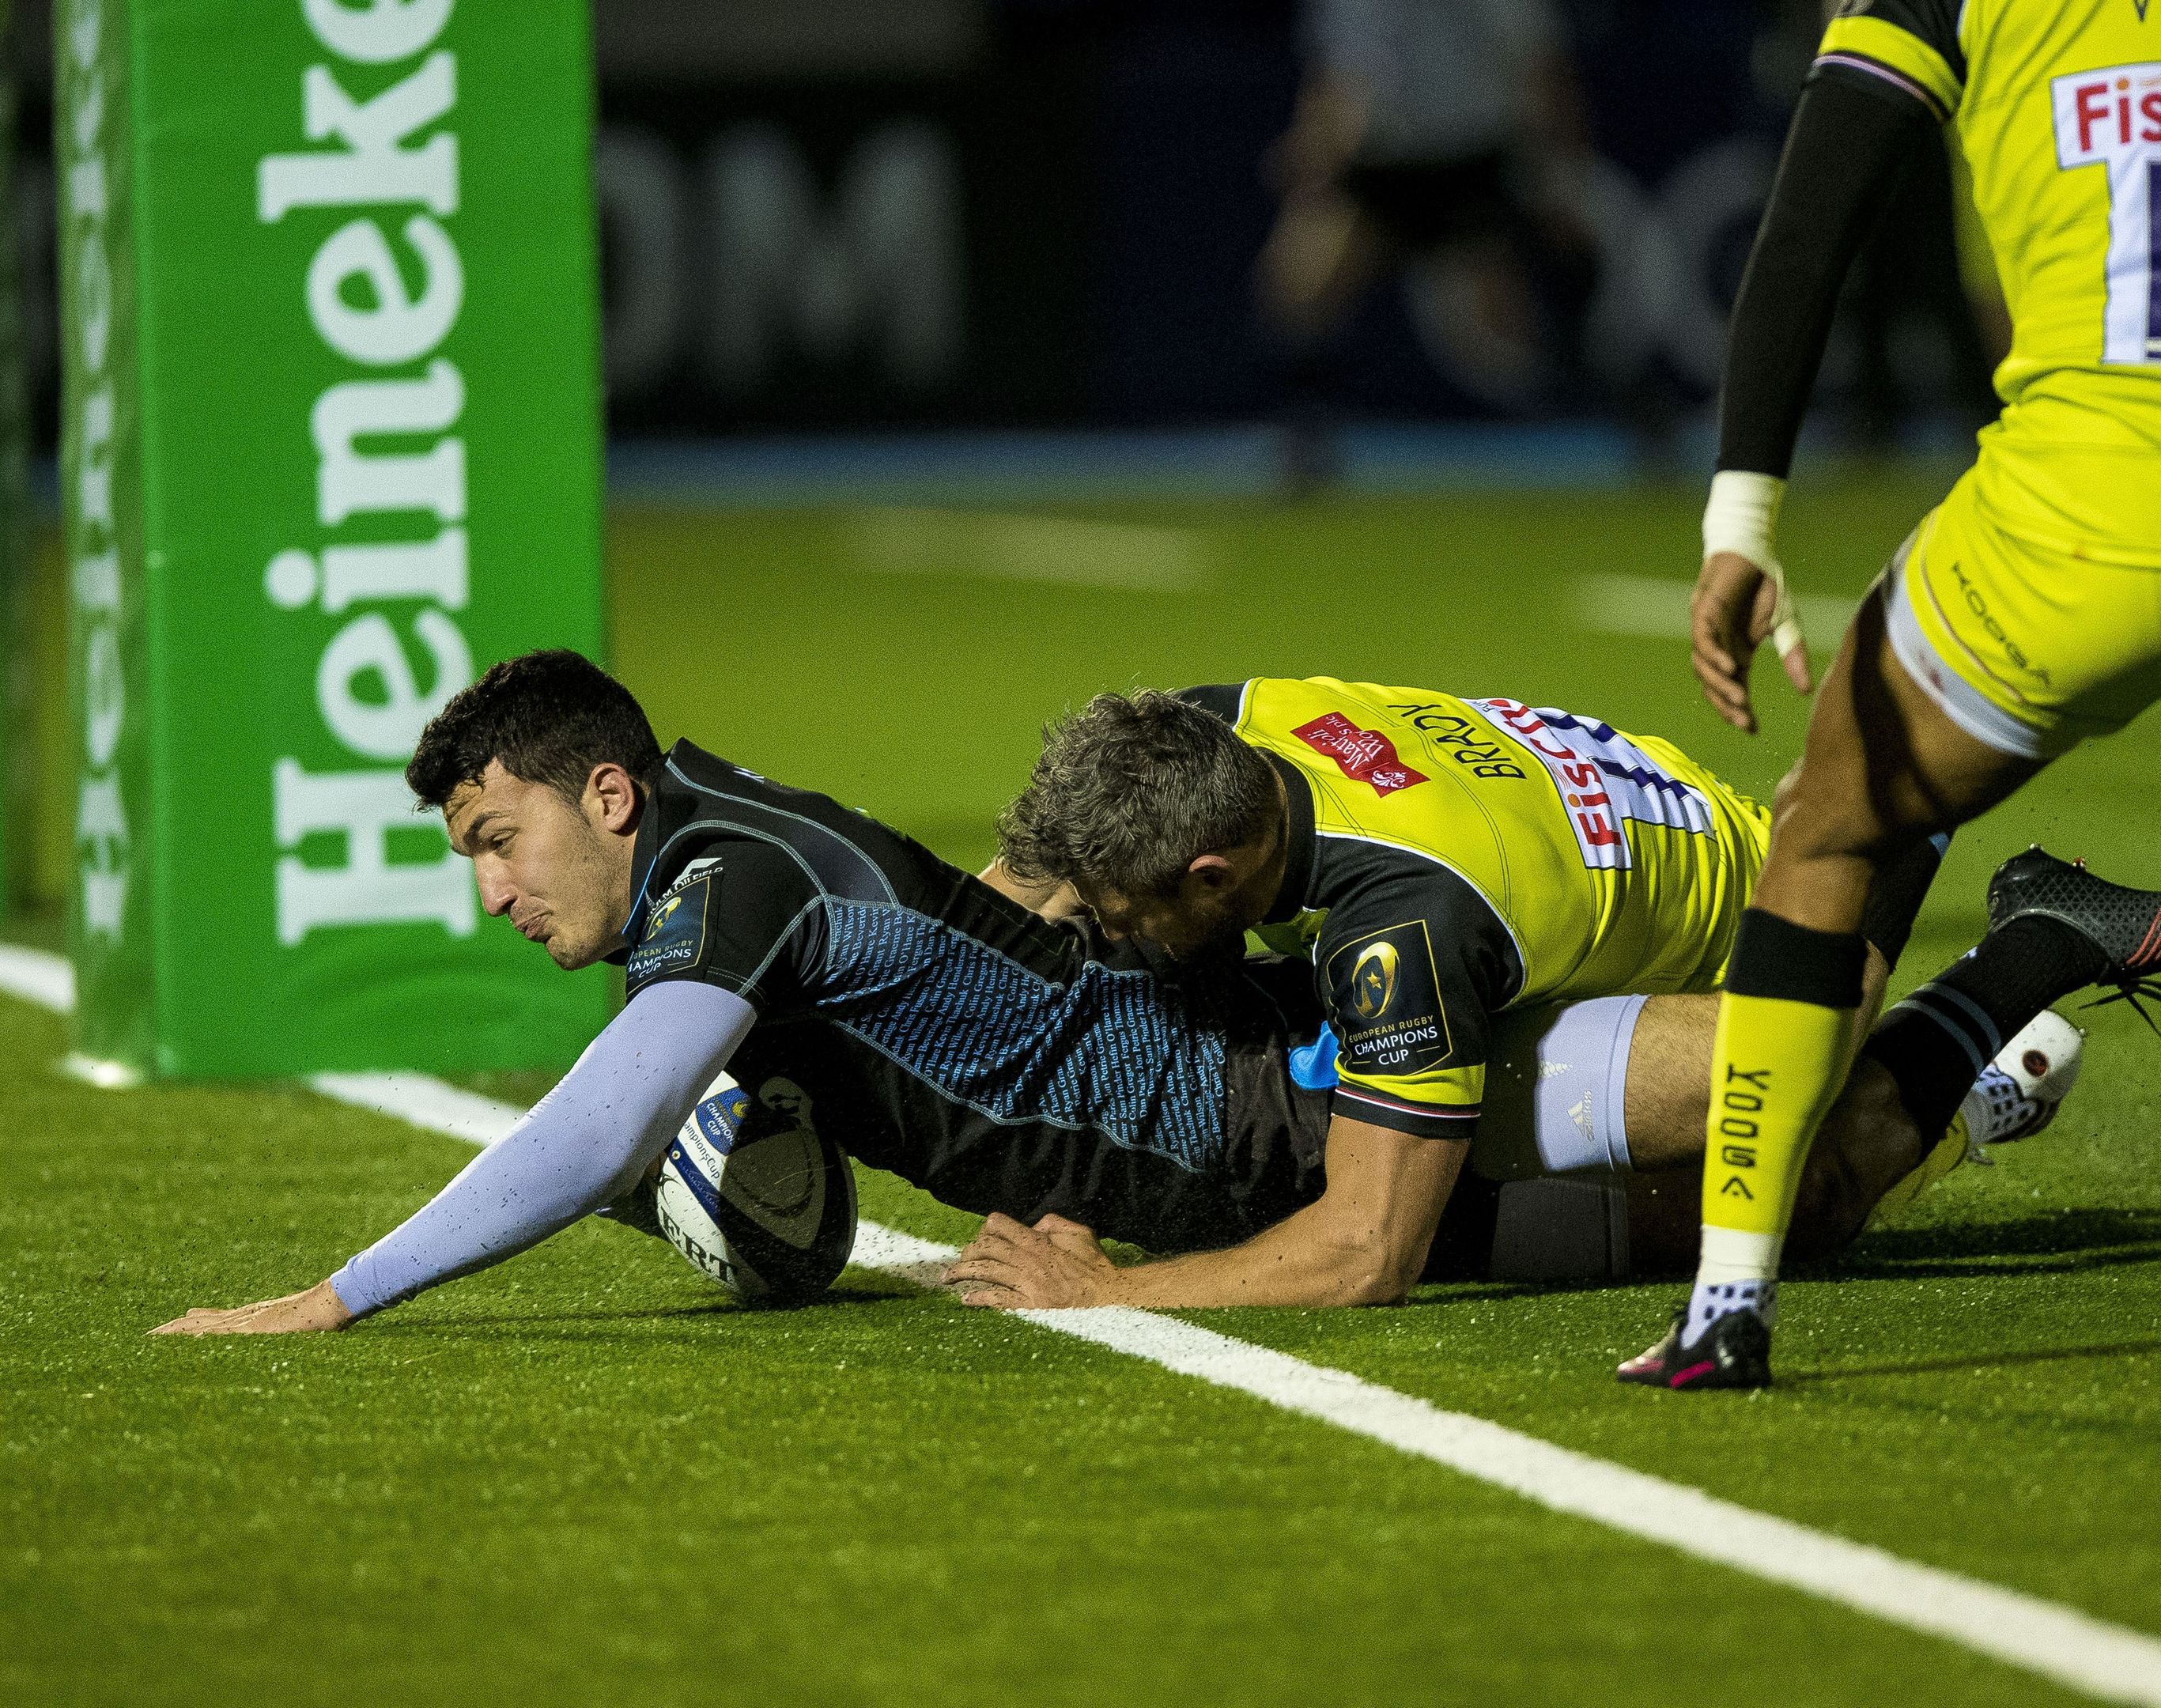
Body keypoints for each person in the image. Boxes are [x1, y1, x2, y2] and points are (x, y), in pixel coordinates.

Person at [151, 653, 2056, 1336]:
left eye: (495, 838)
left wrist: (336, 1296)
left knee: (1784, 1122)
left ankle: (2009, 961)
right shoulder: (725, 862)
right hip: (1233, 1121)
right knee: (1793, 1209)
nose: (491, 889)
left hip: (1284, 1108)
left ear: (609, 796)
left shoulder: (726, 883)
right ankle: (2023, 980)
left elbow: (602, 1133)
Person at [1647, 0, 2161, 1387]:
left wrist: (1740, 519)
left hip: (2093, 522)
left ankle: (1724, 1311)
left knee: (1827, 824)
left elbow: (1808, 228)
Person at [962, 676, 2072, 1311]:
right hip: (1625, 835)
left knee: (1802, 1195)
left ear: (1213, 873)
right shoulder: (1229, 729)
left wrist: (1108, 1295)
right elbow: (1025, 882)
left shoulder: (1403, 930)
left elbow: (1365, 1254)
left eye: (1118, 908)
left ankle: (2028, 958)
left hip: (1760, 947)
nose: (1100, 932)